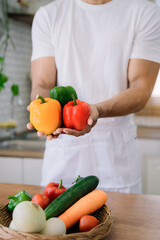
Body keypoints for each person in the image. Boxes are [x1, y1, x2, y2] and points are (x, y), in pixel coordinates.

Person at [27, 0, 160, 193]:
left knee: (122, 222)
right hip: (63, 152)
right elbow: (42, 85)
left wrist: (97, 110)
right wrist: (41, 110)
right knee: (57, 221)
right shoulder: (49, 15)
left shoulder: (144, 12)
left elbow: (141, 89)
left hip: (116, 158)